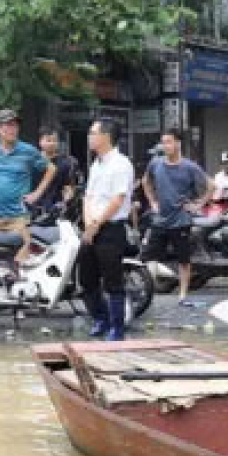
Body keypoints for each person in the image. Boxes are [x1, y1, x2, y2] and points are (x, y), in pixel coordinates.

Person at [0, 108, 55, 260]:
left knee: (19, 265)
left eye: (15, 125)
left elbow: (51, 168)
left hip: (19, 219)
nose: (12, 129)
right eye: (8, 125)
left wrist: (37, 194)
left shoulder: (28, 150)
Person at [77, 120, 135, 341]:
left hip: (111, 229)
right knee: (86, 279)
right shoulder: (96, 165)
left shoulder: (121, 164)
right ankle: (101, 318)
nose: (90, 137)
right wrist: (88, 223)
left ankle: (117, 328)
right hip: (92, 228)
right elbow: (88, 196)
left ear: (106, 136)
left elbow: (118, 199)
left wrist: (97, 223)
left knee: (113, 282)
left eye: (93, 133)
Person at [141, 130, 212, 306]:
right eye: (163, 142)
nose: (166, 146)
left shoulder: (189, 167)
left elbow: (211, 186)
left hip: (181, 220)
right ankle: (146, 292)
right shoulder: (155, 163)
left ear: (178, 144)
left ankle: (182, 295)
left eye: (169, 142)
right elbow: (145, 181)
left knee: (183, 260)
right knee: (148, 257)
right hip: (160, 219)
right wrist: (152, 201)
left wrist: (198, 205)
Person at [31, 129, 79, 218]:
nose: (52, 143)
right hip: (32, 212)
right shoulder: (32, 161)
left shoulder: (66, 163)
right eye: (48, 140)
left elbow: (68, 187)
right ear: (40, 141)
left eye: (55, 140)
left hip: (55, 212)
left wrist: (67, 199)